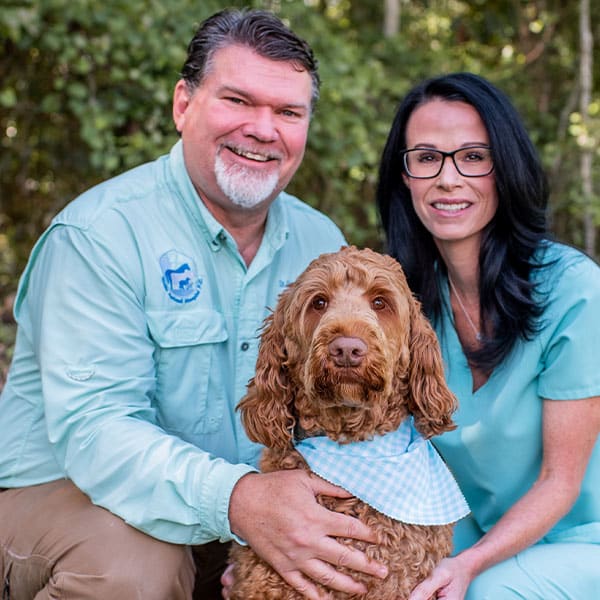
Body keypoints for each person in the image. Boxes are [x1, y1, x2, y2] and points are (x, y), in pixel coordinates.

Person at [0, 9, 388, 600]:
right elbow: (97, 434)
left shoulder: (320, 245)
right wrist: (241, 505)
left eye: (288, 112)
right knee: (134, 568)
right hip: (62, 499)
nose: (263, 129)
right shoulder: (100, 236)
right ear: (184, 105)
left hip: (234, 508)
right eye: (238, 100)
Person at [376, 71, 600, 599]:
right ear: (404, 176)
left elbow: (560, 481)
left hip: (578, 537)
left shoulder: (573, 291)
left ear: (506, 168)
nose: (448, 179)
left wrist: (468, 565)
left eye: (473, 156)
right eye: (427, 157)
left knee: (483, 594)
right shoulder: (404, 303)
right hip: (473, 537)